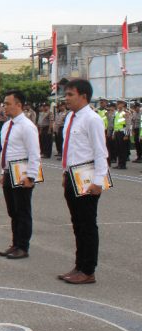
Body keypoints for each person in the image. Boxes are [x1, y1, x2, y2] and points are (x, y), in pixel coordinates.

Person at [59, 78, 108, 284]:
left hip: (87, 178)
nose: (66, 98)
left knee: (87, 225)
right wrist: (65, 173)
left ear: (84, 96)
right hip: (72, 176)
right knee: (77, 224)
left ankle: (88, 270)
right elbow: (71, 150)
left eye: (71, 94)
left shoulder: (92, 119)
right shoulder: (71, 118)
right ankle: (79, 265)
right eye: (66, 94)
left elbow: (100, 152)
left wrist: (98, 181)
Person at [0, 90, 41, 260]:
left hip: (22, 173)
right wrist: (3, 172)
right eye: (4, 104)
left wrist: (31, 177)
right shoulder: (7, 125)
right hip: (10, 172)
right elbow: (6, 152)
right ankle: (15, 243)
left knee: (23, 211)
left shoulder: (27, 126)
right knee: (13, 211)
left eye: (8, 104)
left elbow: (34, 153)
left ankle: (23, 246)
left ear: (19, 105)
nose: (5, 107)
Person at [112, 100, 130, 170]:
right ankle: (119, 164)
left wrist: (126, 135)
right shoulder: (116, 113)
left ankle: (123, 165)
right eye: (117, 104)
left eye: (119, 103)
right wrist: (114, 133)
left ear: (123, 104)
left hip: (123, 132)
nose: (118, 105)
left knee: (123, 149)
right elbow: (115, 124)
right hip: (117, 132)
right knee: (118, 149)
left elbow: (128, 124)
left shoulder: (125, 113)